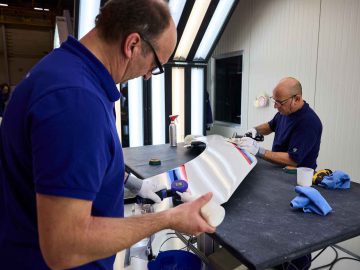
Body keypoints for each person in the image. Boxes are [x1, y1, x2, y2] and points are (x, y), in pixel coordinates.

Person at [0, 1, 215, 269]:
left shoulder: (64, 71)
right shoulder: (76, 101)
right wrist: (169, 219)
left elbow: (65, 166)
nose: (149, 75)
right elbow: (64, 246)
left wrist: (133, 183)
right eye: (155, 64)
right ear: (133, 44)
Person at [238, 77, 322, 170]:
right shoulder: (285, 112)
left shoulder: (309, 123)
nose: (275, 106)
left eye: (279, 102)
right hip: (278, 169)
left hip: (296, 177)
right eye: (274, 101)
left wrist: (259, 151)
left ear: (297, 99)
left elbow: (292, 160)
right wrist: (255, 130)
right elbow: (270, 126)